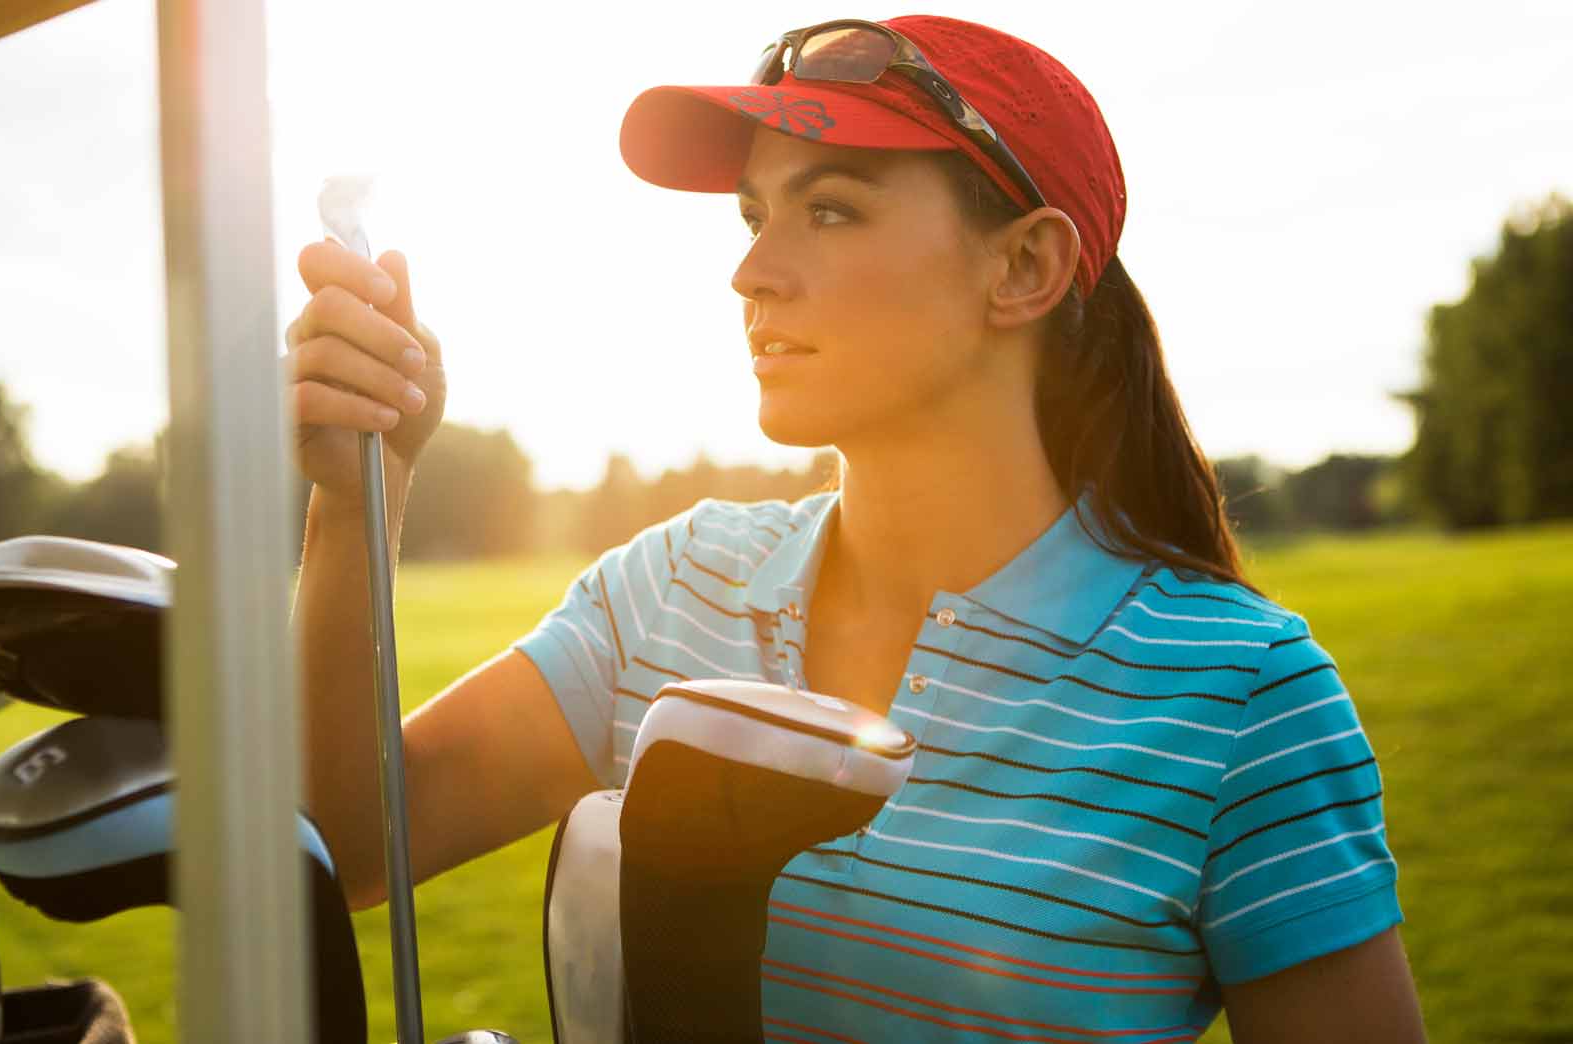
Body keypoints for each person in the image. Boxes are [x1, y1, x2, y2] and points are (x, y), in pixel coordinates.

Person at [282, 15, 1426, 1042]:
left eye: (829, 209)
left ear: (1024, 266)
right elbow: (349, 837)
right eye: (752, 214)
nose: (749, 271)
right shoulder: (670, 589)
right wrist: (358, 492)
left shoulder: (1241, 695)